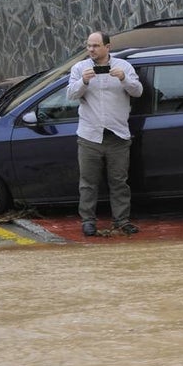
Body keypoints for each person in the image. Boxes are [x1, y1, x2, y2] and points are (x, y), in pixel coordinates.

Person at [67, 30, 144, 236]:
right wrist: (83, 81)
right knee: (88, 183)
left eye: (95, 45)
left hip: (117, 135)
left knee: (119, 182)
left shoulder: (124, 67)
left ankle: (121, 220)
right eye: (89, 45)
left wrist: (124, 79)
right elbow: (70, 95)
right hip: (89, 135)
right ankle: (88, 221)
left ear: (107, 47)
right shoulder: (79, 68)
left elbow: (137, 91)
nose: (91, 49)